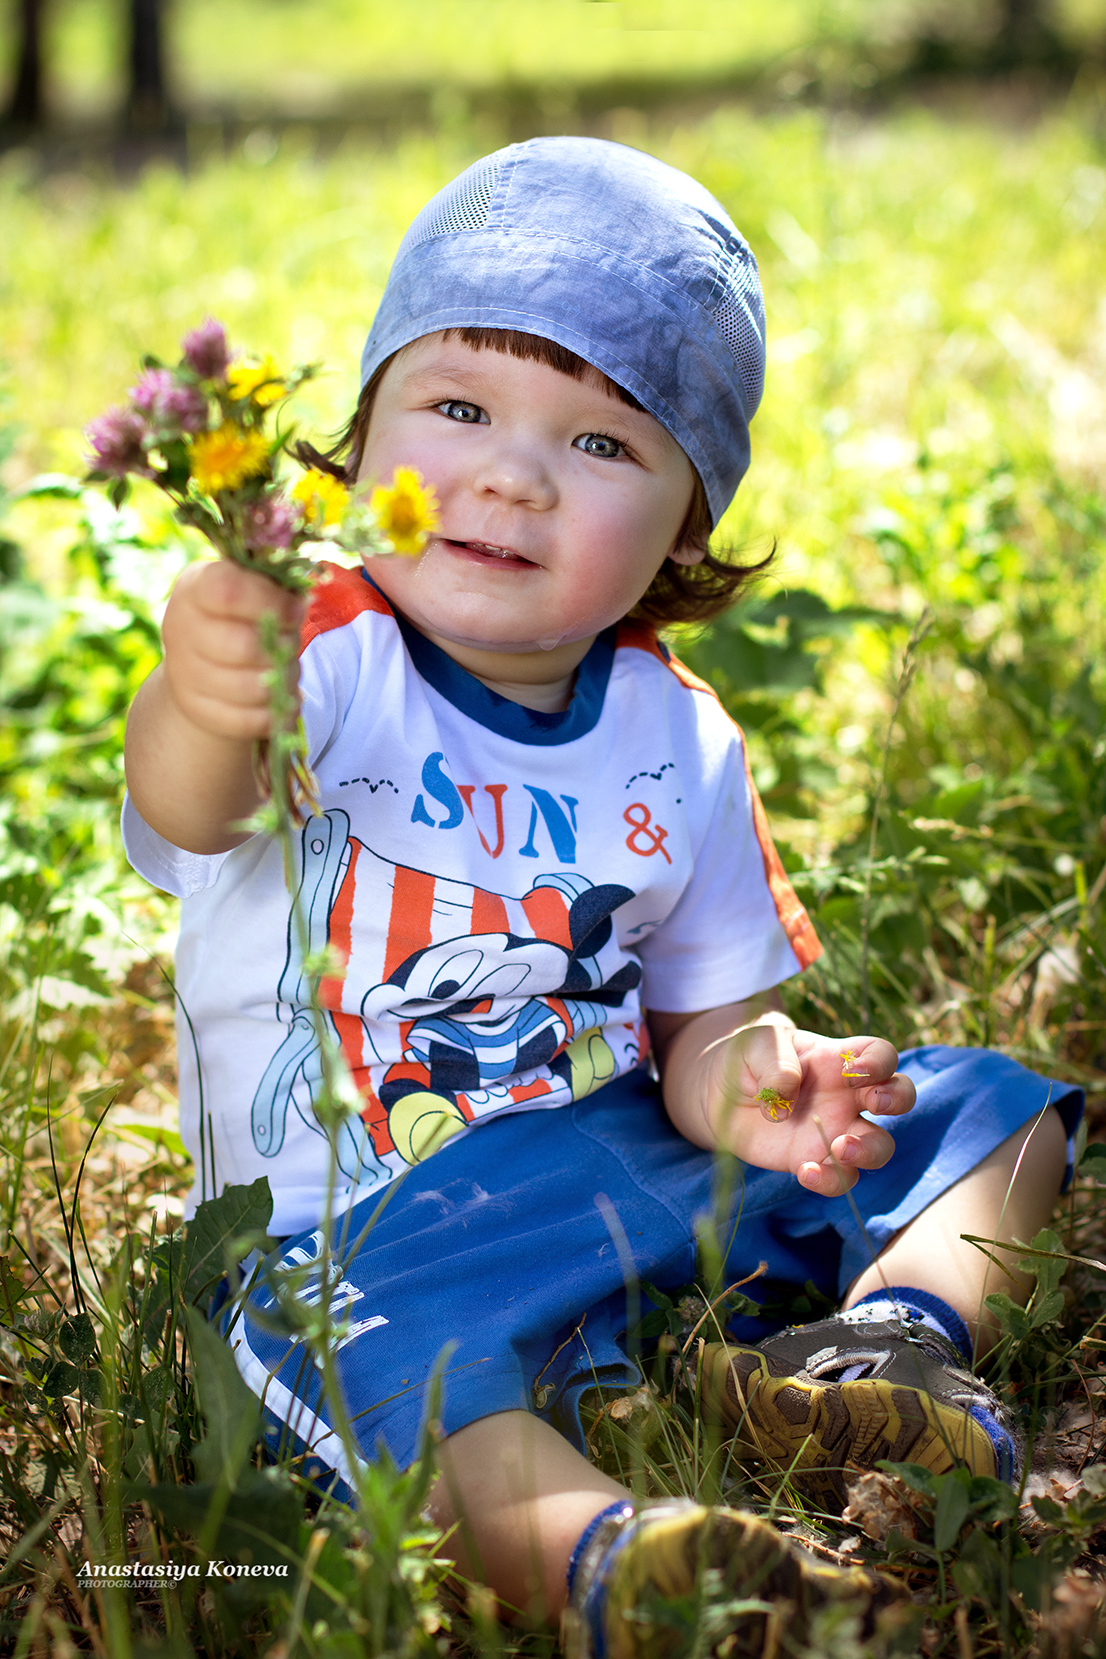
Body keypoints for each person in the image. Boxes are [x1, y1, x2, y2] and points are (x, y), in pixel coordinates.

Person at [122, 138, 1082, 1655]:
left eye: (600, 444)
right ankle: (625, 1561)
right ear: (358, 439)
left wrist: (763, 1085)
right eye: (456, 408)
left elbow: (708, 1029)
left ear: (680, 529)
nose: (508, 472)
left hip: (630, 1173)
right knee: (402, 1384)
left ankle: (885, 1349)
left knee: (994, 1107)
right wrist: (200, 686)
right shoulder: (321, 651)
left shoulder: (675, 733)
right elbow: (191, 805)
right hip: (367, 1227)